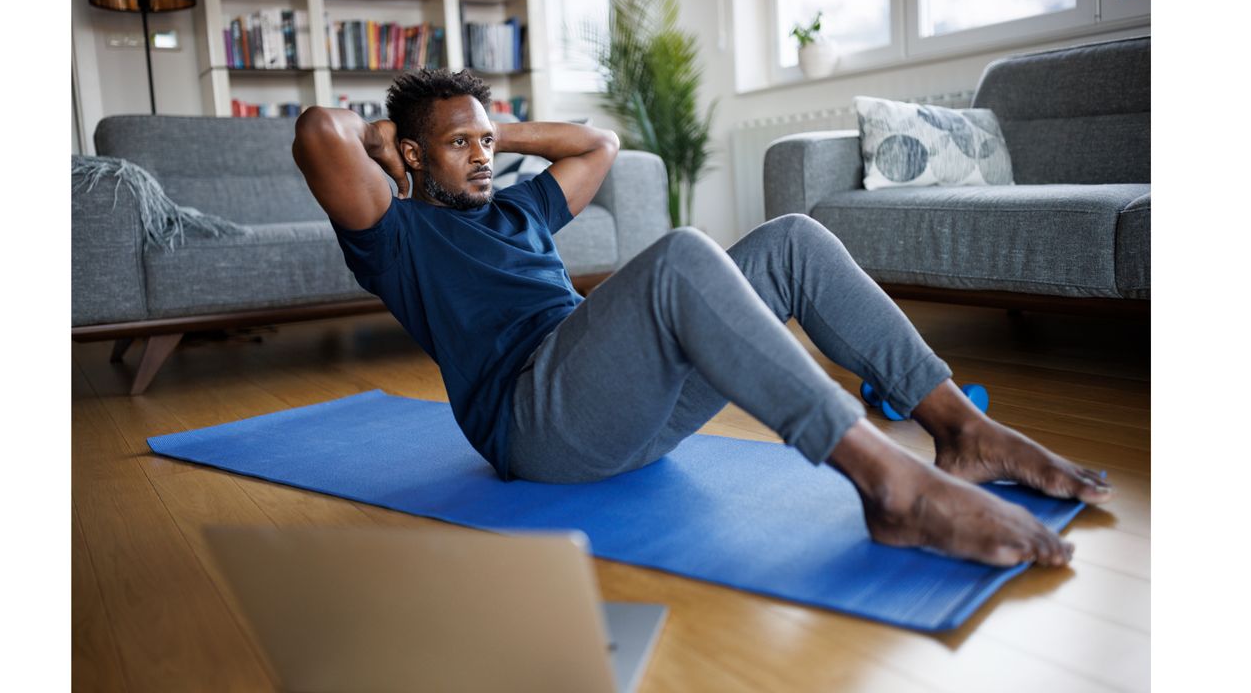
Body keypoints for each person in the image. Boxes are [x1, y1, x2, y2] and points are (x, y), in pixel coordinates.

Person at [292, 69, 1113, 569]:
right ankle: (889, 484)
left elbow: (598, 144)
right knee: (683, 254)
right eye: (458, 144)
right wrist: (392, 135)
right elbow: (318, 133)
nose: (482, 155)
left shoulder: (520, 212)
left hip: (621, 414)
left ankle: (958, 428)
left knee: (792, 239)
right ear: (406, 154)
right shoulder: (396, 236)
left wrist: (481, 126)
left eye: (487, 141)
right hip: (538, 424)